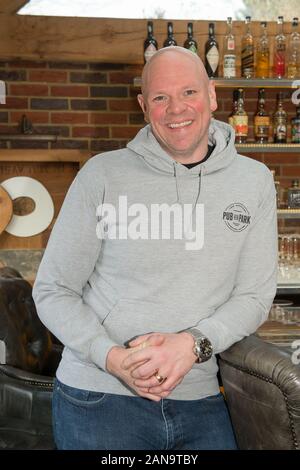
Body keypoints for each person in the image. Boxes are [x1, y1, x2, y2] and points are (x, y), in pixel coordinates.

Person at [32, 46, 277, 450]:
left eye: (188, 93)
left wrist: (191, 344)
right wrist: (112, 358)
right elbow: (53, 289)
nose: (175, 109)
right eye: (160, 97)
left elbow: (253, 296)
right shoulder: (102, 175)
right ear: (144, 106)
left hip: (203, 398)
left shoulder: (253, 182)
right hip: (98, 397)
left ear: (212, 95)